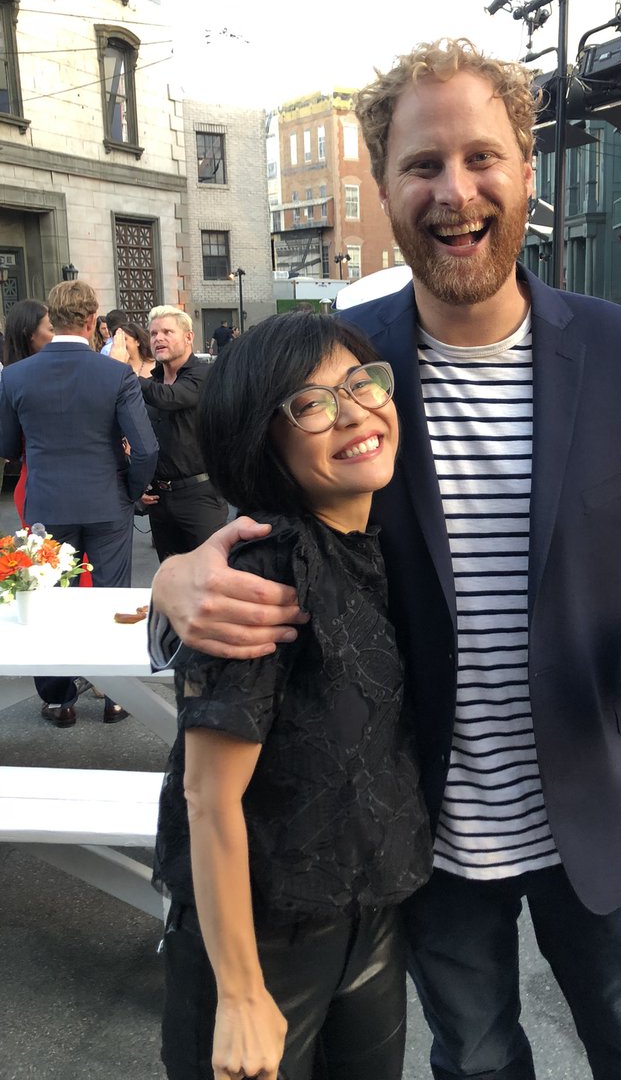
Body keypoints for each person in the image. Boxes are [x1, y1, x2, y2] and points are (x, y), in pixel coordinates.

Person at [149, 38, 621, 1080]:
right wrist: (176, 587)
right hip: (424, 836)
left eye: (483, 157)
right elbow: (260, 540)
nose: (455, 191)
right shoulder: (350, 366)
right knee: (475, 1060)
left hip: (598, 813)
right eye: (422, 165)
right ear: (384, 184)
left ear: (527, 171)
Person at [153, 310, 432, 1080]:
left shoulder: (374, 543)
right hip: (262, 937)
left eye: (361, 383)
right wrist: (240, 994)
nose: (353, 413)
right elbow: (208, 797)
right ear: (263, 437)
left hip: (369, 917)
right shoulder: (267, 568)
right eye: (311, 405)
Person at [0, 280, 157, 726]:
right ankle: (115, 695)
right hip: (107, 500)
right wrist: (129, 492)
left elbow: (8, 446)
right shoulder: (115, 374)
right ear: (93, 322)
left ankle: (57, 697)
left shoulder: (14, 375)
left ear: (52, 318)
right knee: (110, 598)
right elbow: (145, 448)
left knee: (51, 602)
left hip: (47, 502)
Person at [130, 306, 228, 562]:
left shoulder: (204, 375)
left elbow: (171, 398)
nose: (158, 338)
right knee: (171, 577)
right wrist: (139, 481)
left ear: (188, 337)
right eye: (153, 334)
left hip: (200, 496)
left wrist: (125, 374)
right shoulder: (153, 382)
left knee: (211, 574)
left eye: (166, 332)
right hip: (159, 499)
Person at [1, 299, 54, 521]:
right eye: (51, 329)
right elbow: (8, 446)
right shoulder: (11, 381)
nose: (57, 334)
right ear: (29, 334)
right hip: (36, 486)